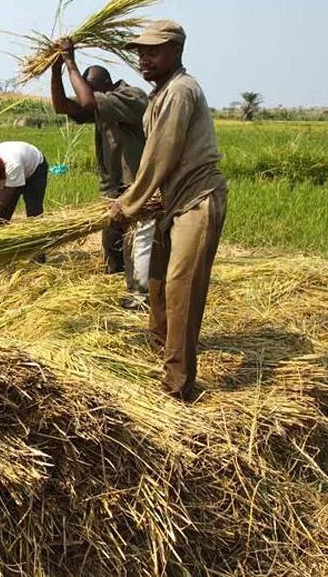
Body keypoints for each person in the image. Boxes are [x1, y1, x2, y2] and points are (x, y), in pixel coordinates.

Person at [108, 20, 228, 401]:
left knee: (181, 288)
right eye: (140, 51)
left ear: (176, 50)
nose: (143, 58)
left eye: (152, 51)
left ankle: (177, 386)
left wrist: (128, 204)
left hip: (197, 200)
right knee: (157, 282)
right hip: (171, 202)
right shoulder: (159, 94)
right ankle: (160, 352)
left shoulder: (180, 91)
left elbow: (161, 154)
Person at [50, 37, 154, 308]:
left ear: (105, 86)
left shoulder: (131, 97)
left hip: (137, 184)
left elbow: (86, 102)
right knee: (112, 239)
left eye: (92, 91)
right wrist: (55, 69)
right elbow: (63, 106)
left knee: (138, 239)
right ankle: (118, 281)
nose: (90, 96)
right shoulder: (103, 102)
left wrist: (70, 61)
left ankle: (140, 295)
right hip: (114, 186)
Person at [0, 141, 48, 225]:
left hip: (35, 171)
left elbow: (2, 201)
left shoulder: (13, 164)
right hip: (14, 168)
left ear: (0, 168)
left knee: (34, 213)